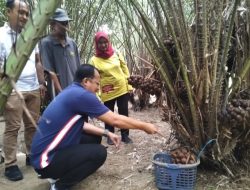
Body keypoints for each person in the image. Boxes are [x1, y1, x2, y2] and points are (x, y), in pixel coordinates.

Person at [30, 64, 158, 190]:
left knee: (95, 138)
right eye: (97, 83)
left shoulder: (72, 91)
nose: (98, 87)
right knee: (99, 153)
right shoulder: (82, 95)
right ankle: (59, 186)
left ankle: (59, 172)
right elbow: (114, 120)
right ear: (86, 81)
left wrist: (106, 133)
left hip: (42, 153)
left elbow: (79, 124)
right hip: (45, 161)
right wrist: (144, 126)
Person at [0, 0, 45, 181]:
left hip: (33, 87)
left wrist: (42, 83)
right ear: (8, 12)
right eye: (21, 12)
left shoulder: (31, 35)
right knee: (12, 127)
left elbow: (37, 61)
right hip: (12, 89)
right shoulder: (1, 35)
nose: (25, 17)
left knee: (32, 125)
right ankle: (10, 164)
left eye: (27, 14)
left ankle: (31, 156)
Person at [90, 31, 134, 145]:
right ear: (96, 44)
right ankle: (110, 135)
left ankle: (125, 135)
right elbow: (93, 78)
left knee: (123, 112)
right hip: (107, 91)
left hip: (122, 88)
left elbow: (125, 70)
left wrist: (129, 85)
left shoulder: (117, 53)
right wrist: (97, 93)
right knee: (108, 114)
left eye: (105, 42)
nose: (103, 45)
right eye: (100, 43)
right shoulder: (94, 60)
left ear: (108, 42)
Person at [39, 8, 81, 94]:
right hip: (58, 94)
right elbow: (49, 72)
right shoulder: (46, 44)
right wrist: (61, 93)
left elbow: (78, 69)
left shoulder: (72, 43)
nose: (65, 27)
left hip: (75, 91)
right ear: (52, 24)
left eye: (66, 23)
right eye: (62, 23)